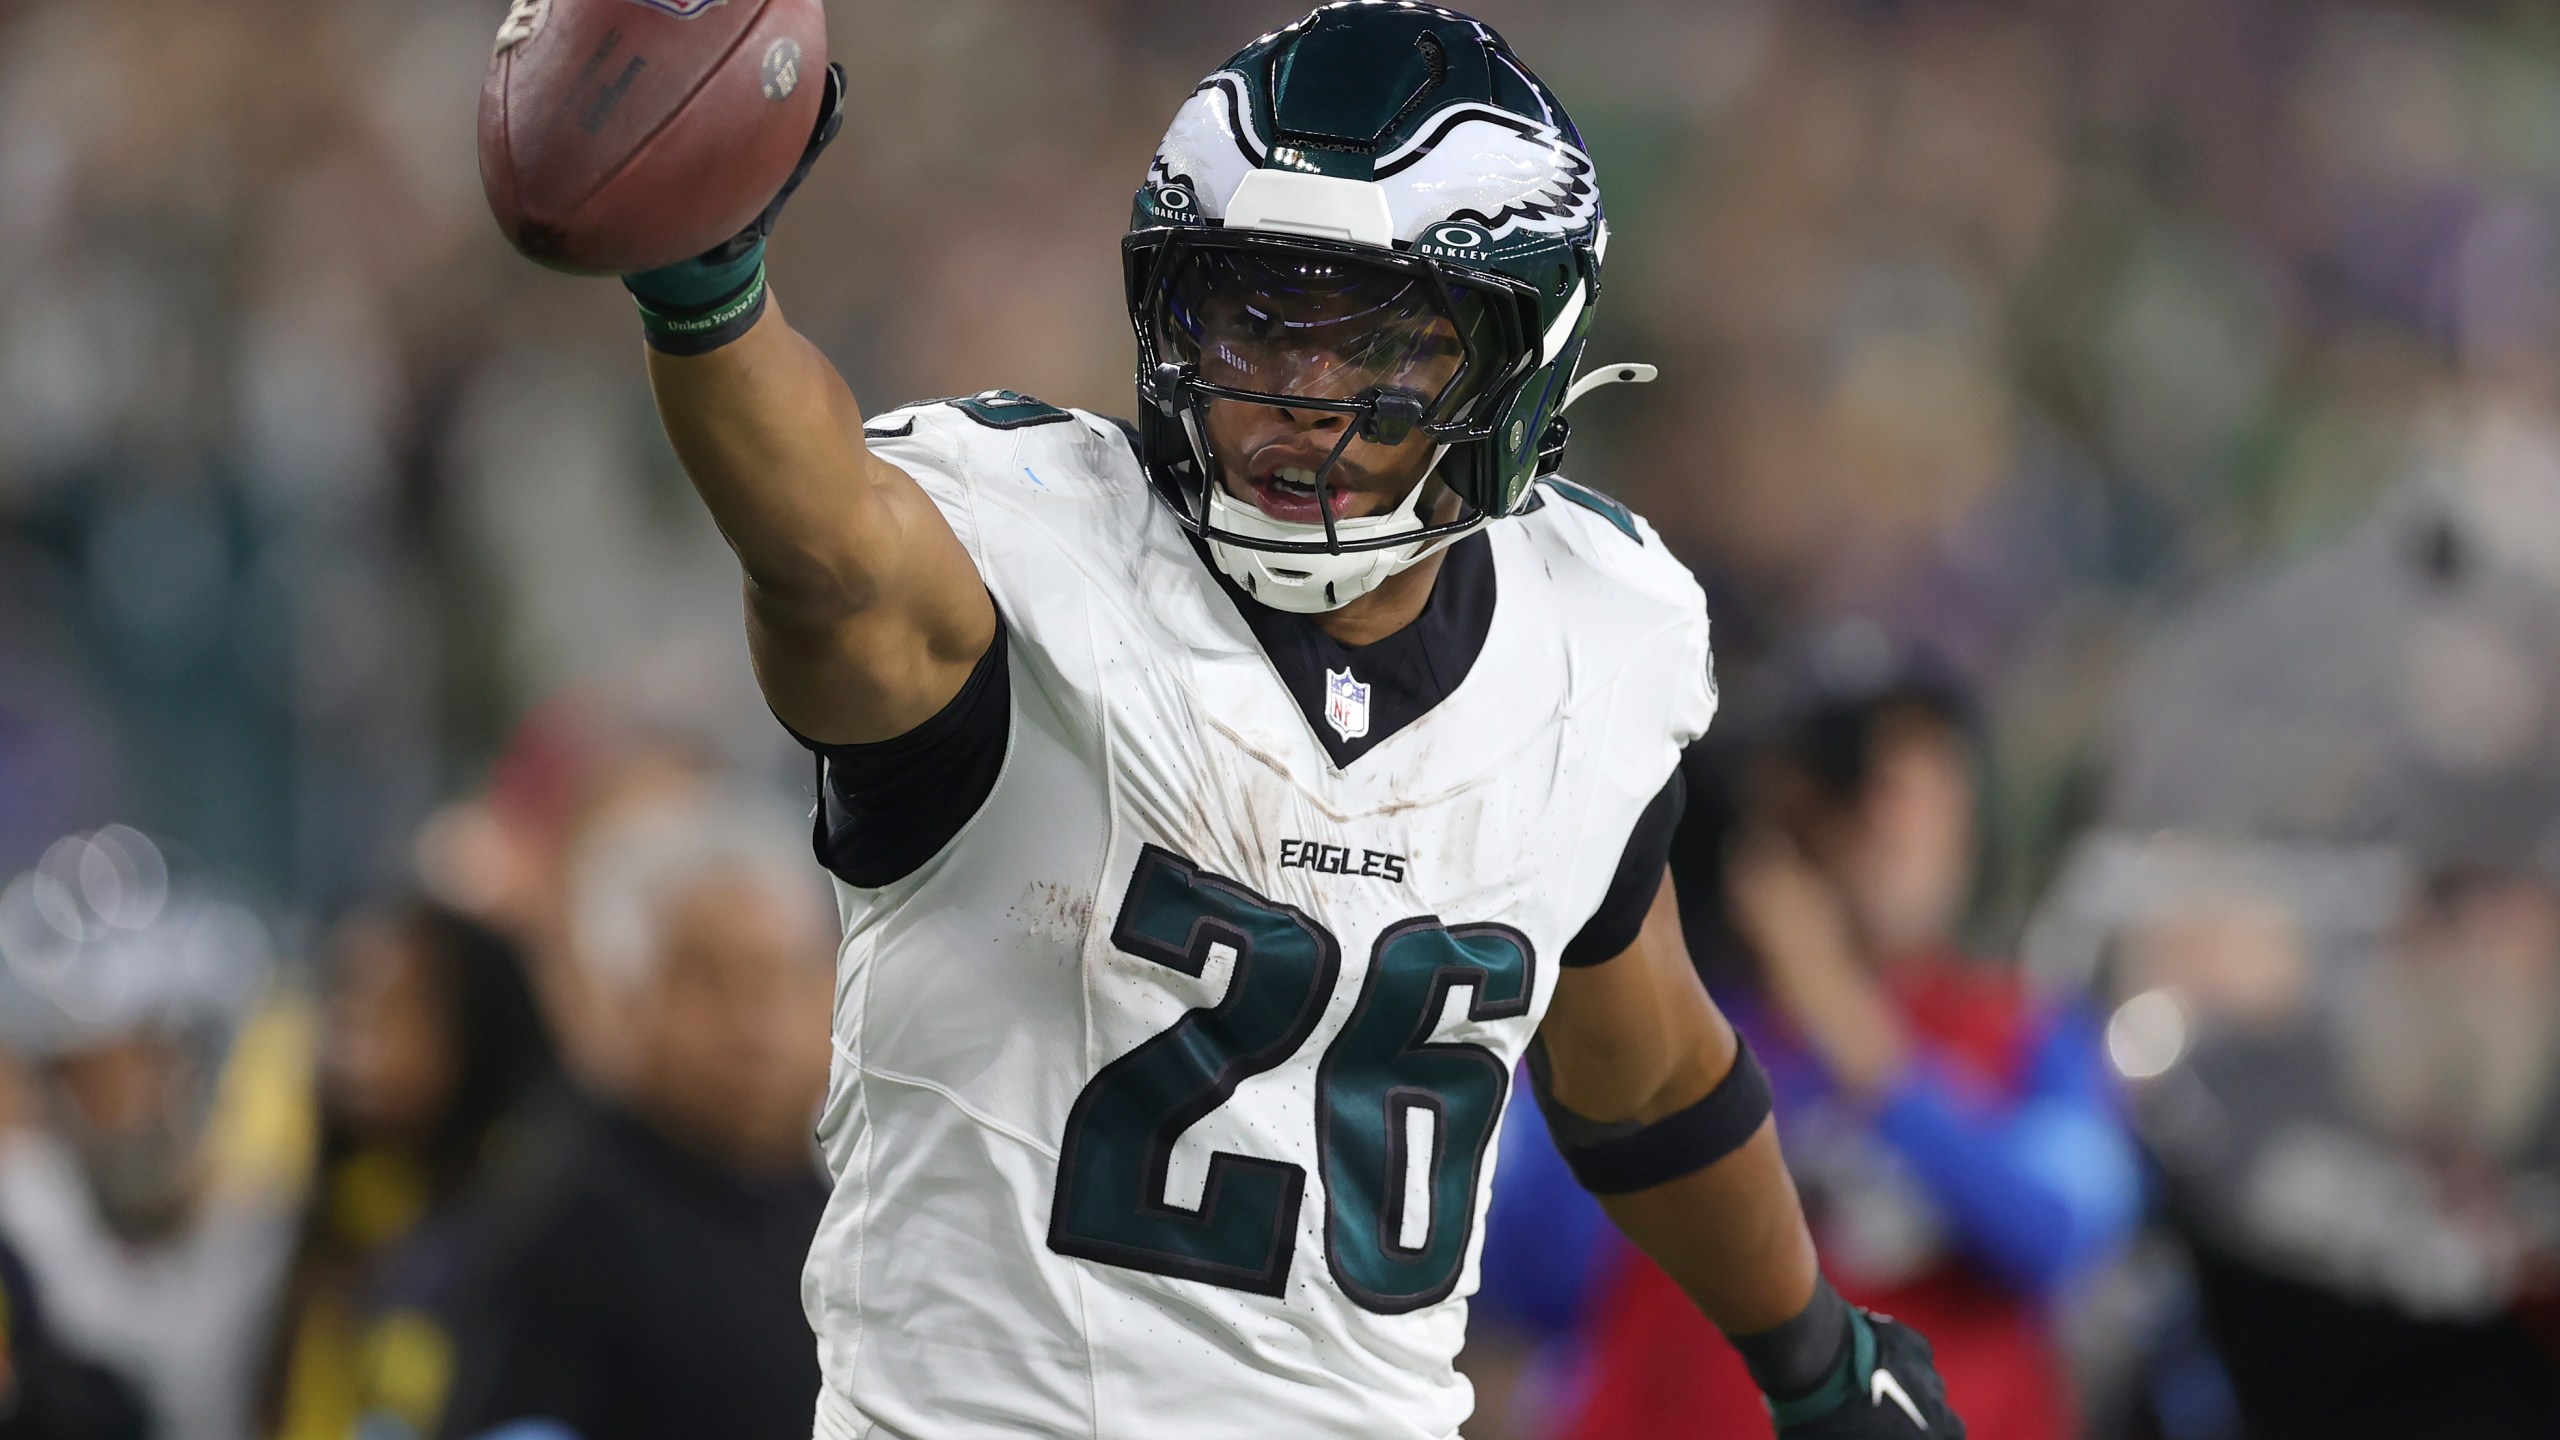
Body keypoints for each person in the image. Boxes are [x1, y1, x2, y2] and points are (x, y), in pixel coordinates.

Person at [499, 6, 1965, 1435]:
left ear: (1519, 362)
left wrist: (1816, 1355)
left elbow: (1642, 1069)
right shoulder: (1037, 560)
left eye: (1376, 343)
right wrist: (708, 286)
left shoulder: (1596, 634)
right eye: (1249, 324)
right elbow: (824, 551)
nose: (1297, 397)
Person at [1552, 632, 2140, 1440]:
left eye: (1929, 782)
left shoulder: (2023, 1033)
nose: (1896, 820)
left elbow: (2064, 1227)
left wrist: (1851, 1030)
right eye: (1862, 783)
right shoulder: (1671, 1027)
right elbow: (1529, 1269)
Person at [434, 790, 833, 1440]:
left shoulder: (844, 1201)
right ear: (623, 996)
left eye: (781, 976)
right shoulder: (557, 1218)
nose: (755, 1023)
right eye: (707, 979)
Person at [0, 828, 304, 1440]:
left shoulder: (269, 1227)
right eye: (94, 1072)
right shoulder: (23, 1211)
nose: (140, 1095)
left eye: (161, 1059)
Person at [261, 898, 558, 1440]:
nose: (358, 1047)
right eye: (347, 1006)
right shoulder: (341, 1212)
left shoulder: (532, 1217)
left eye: (396, 1009)